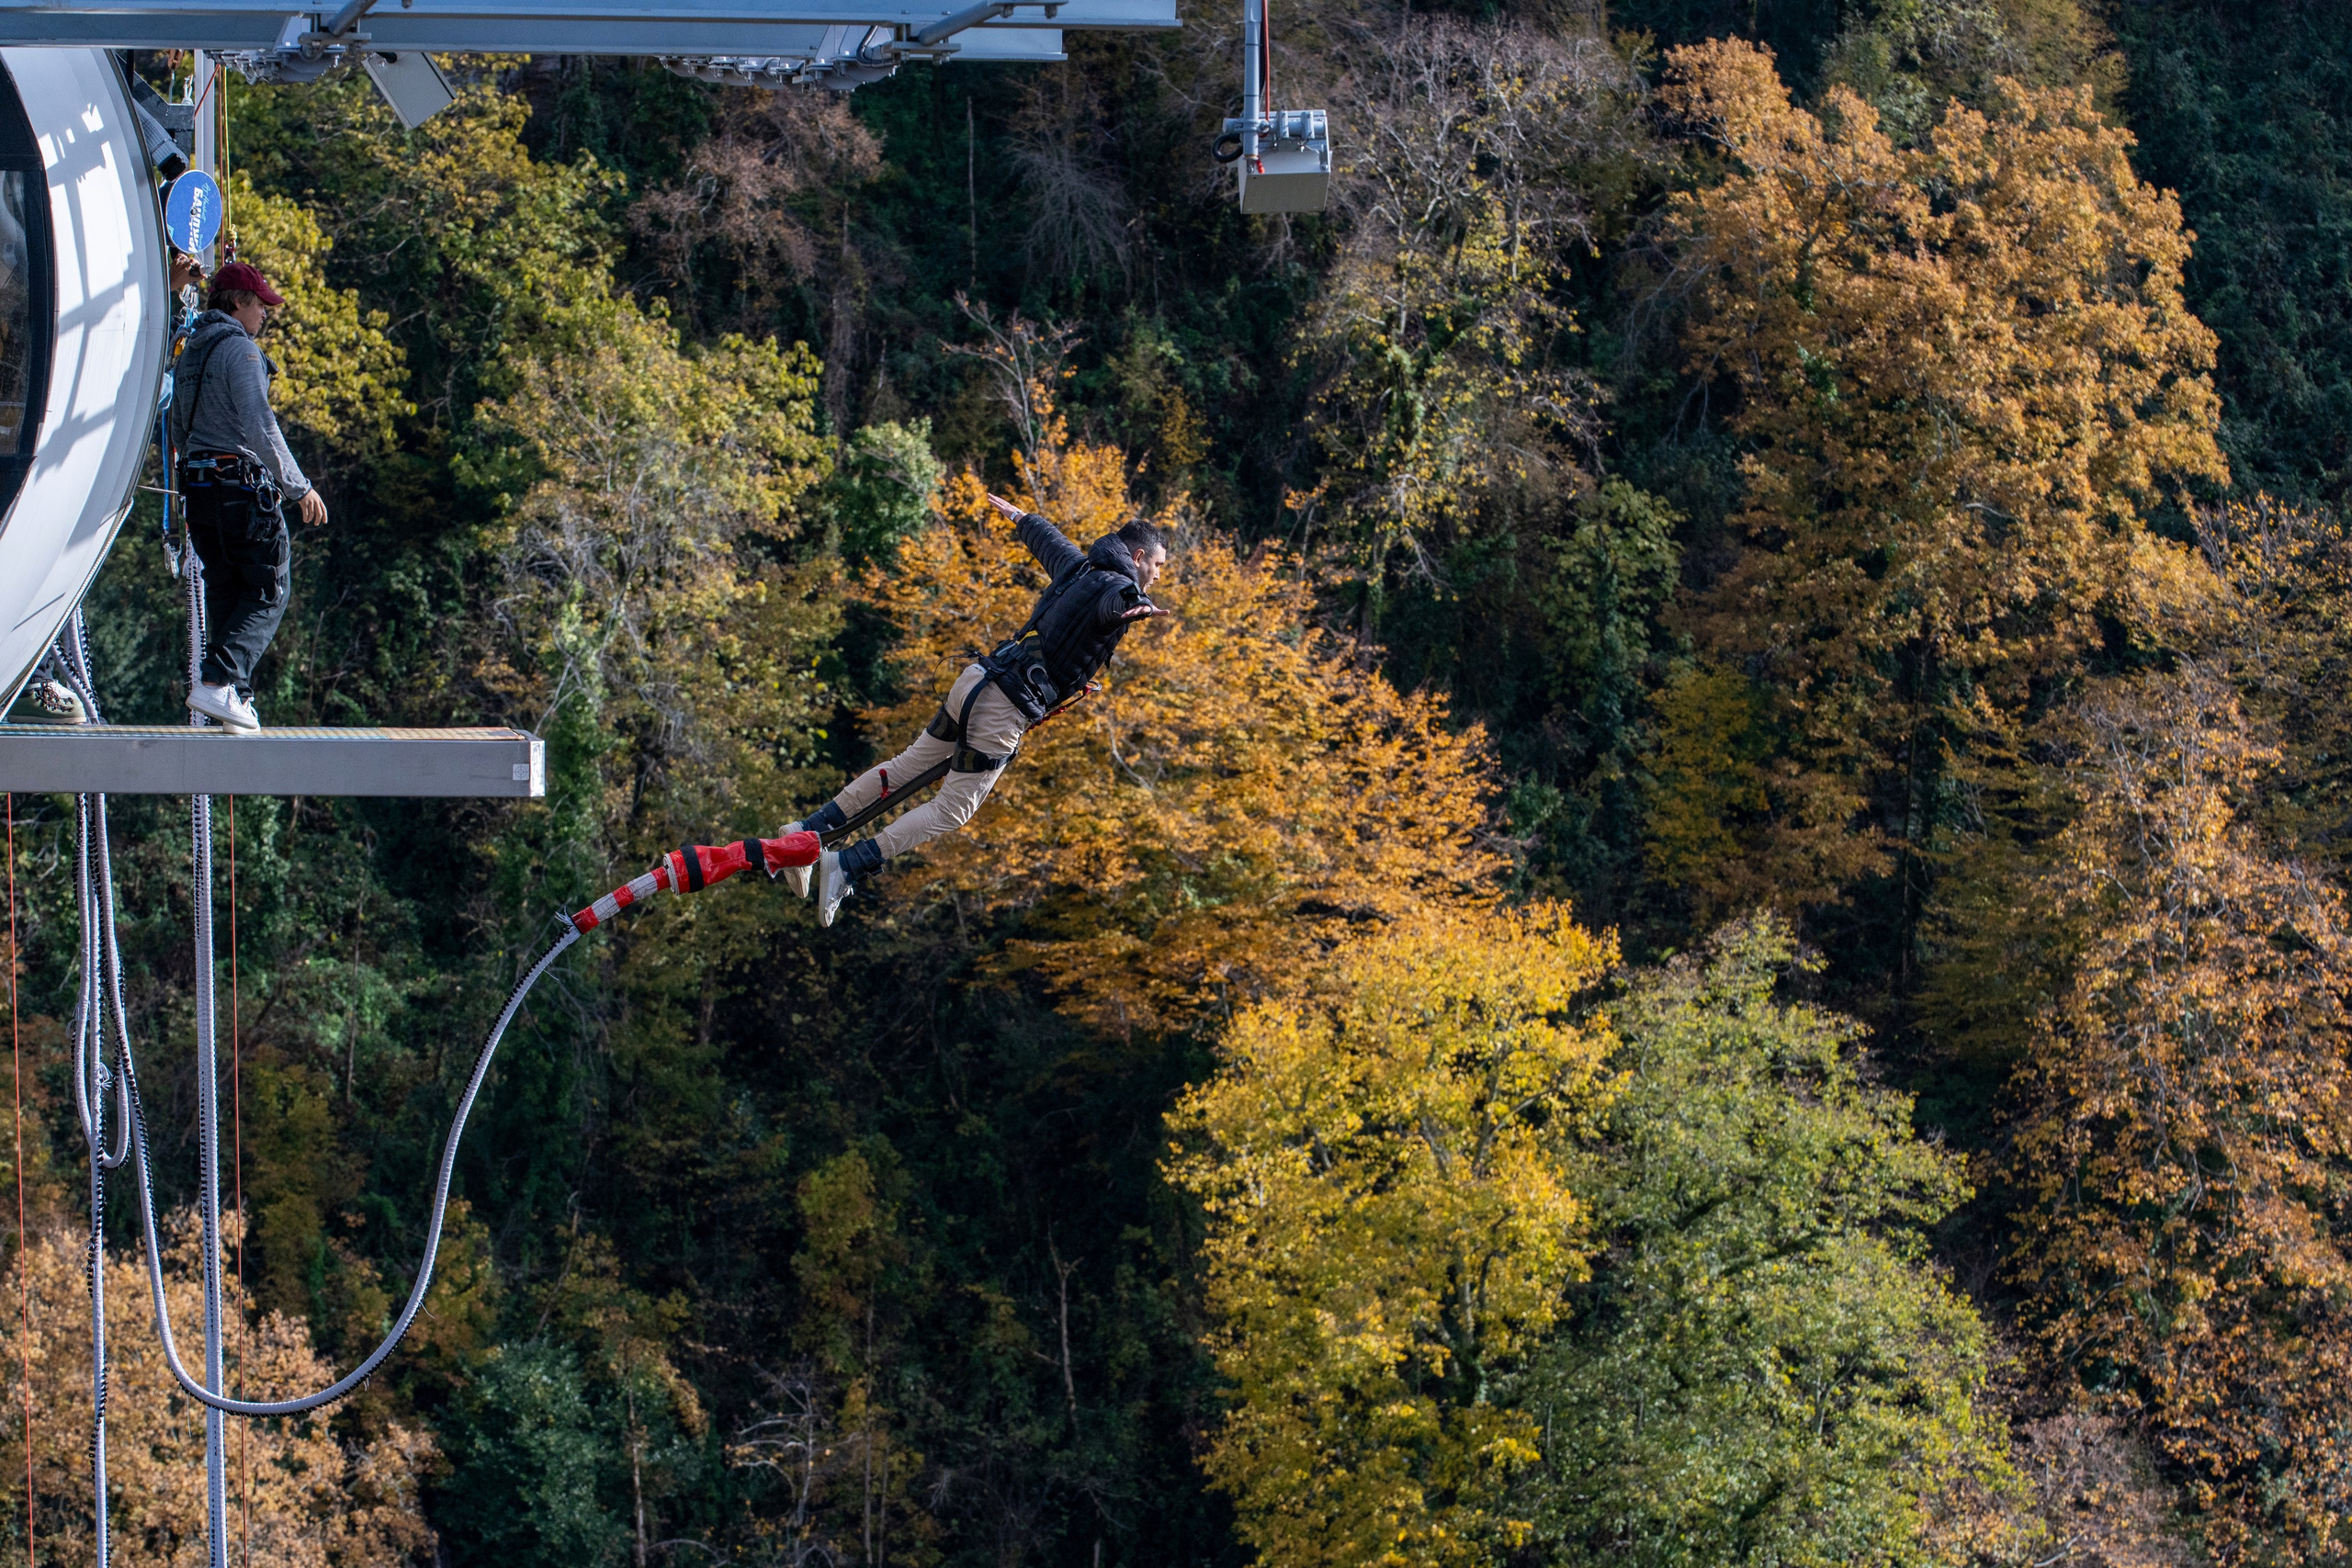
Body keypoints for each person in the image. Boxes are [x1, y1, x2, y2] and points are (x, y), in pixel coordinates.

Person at [787, 493, 1170, 927]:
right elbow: (1108, 610)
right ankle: (849, 864)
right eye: (1157, 566)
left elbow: (1050, 542)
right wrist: (1129, 611)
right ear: (1139, 556)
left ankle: (805, 834)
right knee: (953, 809)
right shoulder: (1122, 590)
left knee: (906, 766)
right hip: (1002, 709)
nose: (1156, 577)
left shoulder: (1082, 567)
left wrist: (1023, 518)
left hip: (977, 678)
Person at [168, 259, 327, 733]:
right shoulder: (241, 352)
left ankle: (235, 696)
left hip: (198, 489)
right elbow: (261, 423)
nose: (265, 314)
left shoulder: (191, 349)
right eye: (260, 304)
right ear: (238, 303)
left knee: (226, 590)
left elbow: (178, 425)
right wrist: (299, 487)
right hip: (239, 489)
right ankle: (218, 682)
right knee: (267, 591)